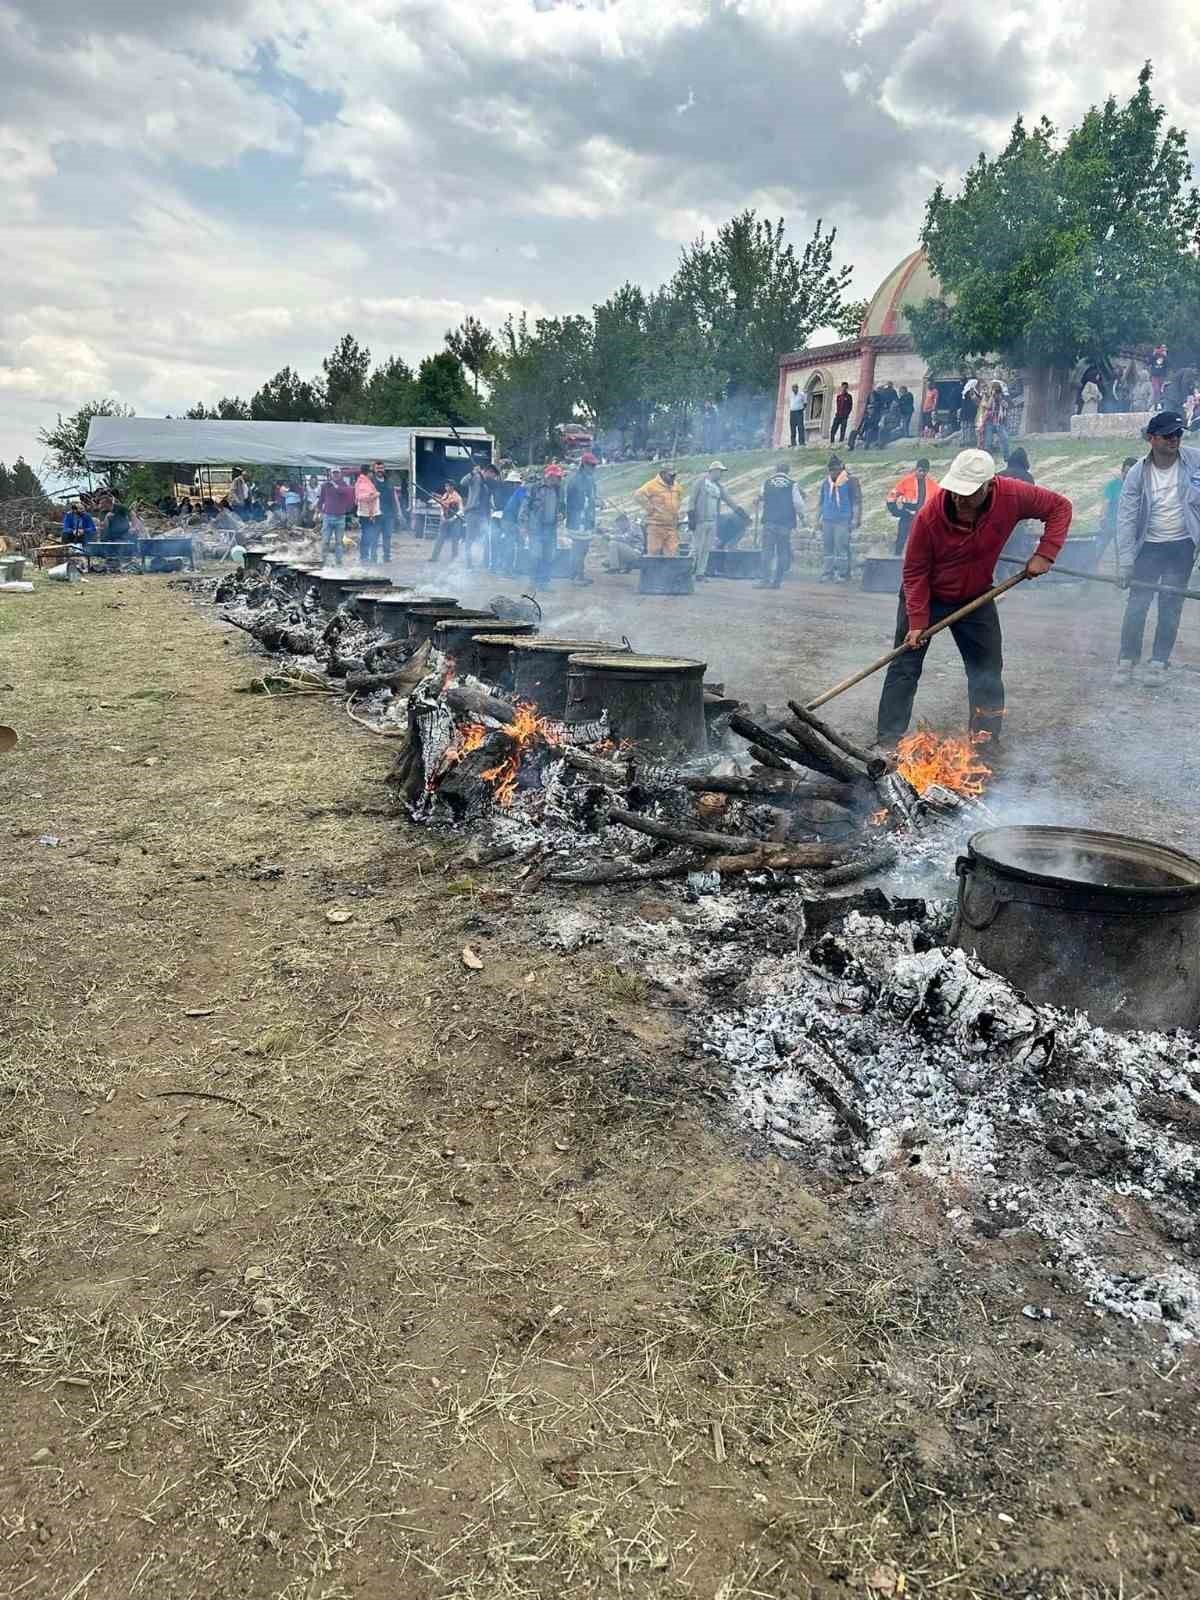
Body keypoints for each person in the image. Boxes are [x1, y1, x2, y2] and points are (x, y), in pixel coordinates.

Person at [874, 449, 1069, 749]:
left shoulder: (1012, 495)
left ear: (989, 486)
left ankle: (984, 738)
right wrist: (917, 621)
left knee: (987, 668)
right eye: (956, 491)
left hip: (976, 594)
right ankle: (888, 739)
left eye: (968, 494)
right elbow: (914, 571)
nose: (959, 499)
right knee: (905, 666)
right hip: (928, 594)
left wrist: (1046, 553)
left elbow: (1060, 507)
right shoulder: (929, 516)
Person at [1112, 411, 1200, 688]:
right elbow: (1126, 518)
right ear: (1151, 438)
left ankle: (1159, 661)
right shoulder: (1137, 473)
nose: (1175, 439)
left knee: (1170, 603)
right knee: (1137, 603)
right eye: (1168, 435)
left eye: (1178, 434)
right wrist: (1126, 562)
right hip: (1149, 547)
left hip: (1182, 545)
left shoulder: (1195, 461)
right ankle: (1127, 658)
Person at [755, 462, 807, 589]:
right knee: (782, 552)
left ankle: (765, 580)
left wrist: (758, 502)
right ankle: (777, 581)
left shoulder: (767, 482)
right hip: (785, 523)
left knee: (767, 552)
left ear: (775, 470)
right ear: (788, 471)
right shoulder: (793, 484)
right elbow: (798, 504)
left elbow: (761, 496)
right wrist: (802, 517)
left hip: (769, 521)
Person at [688, 461, 740, 581]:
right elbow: (692, 499)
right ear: (714, 471)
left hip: (712, 521)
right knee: (696, 548)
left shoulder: (719, 487)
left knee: (706, 549)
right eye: (720, 472)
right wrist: (691, 516)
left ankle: (700, 573)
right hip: (700, 520)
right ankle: (687, 571)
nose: (721, 474)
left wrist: (740, 512)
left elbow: (729, 500)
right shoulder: (700, 482)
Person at [521, 463, 567, 587]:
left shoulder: (559, 490)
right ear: (549, 476)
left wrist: (562, 514)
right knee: (536, 555)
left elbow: (563, 507)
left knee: (549, 556)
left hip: (551, 528)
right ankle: (533, 581)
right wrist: (523, 526)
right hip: (536, 528)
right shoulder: (535, 488)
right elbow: (525, 508)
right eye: (557, 477)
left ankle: (544, 582)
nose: (559, 479)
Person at [885, 458, 939, 556]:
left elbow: (939, 501)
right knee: (901, 538)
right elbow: (891, 496)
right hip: (907, 515)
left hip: (923, 518)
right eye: (920, 470)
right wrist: (896, 511)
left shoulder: (932, 484)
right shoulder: (907, 481)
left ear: (927, 471)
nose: (922, 473)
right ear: (916, 469)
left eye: (924, 471)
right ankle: (896, 557)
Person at [817, 456, 856, 582]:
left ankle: (842, 574)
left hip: (842, 519)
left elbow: (855, 502)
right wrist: (817, 518)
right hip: (827, 519)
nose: (833, 472)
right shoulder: (826, 483)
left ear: (840, 469)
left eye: (835, 469)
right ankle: (827, 572)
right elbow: (821, 502)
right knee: (827, 548)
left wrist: (855, 519)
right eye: (831, 470)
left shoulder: (849, 481)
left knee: (841, 547)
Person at [634, 463, 683, 556]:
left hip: (671, 527)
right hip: (655, 526)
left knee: (673, 554)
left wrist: (676, 513)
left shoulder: (677, 487)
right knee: (654, 553)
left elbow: (679, 499)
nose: (673, 477)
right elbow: (638, 495)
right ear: (663, 474)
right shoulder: (652, 485)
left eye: (674, 475)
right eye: (670, 475)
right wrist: (650, 508)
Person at [566, 453, 599, 585]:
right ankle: (576, 576)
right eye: (591, 465)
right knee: (578, 548)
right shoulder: (576, 480)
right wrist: (591, 503)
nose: (593, 468)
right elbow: (577, 502)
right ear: (584, 464)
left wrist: (596, 501)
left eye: (594, 465)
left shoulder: (589, 479)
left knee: (583, 548)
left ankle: (578, 574)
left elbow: (591, 497)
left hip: (586, 520)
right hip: (578, 519)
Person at [1098, 457, 1137, 564]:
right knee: (1098, 548)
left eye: (1131, 473)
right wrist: (1102, 518)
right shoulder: (1113, 485)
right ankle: (1090, 565)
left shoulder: (1139, 486)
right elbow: (1106, 503)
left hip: (1130, 526)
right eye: (1126, 472)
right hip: (1111, 524)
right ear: (1122, 471)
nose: (1127, 475)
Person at [318, 469, 354, 566]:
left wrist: (335, 486)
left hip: (340, 517)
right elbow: (321, 499)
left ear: (340, 474)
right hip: (328, 516)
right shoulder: (325, 485)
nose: (335, 475)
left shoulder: (344, 485)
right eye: (334, 473)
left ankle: (338, 562)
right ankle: (323, 561)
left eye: (337, 473)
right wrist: (319, 511)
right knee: (325, 541)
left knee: (339, 542)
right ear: (331, 474)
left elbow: (347, 493)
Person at [429, 481, 465, 564]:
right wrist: (442, 516)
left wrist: (453, 518)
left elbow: (461, 511)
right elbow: (442, 506)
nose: (446, 487)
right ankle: (434, 557)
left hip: (455, 520)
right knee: (440, 538)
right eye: (446, 486)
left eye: (447, 486)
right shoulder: (445, 495)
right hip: (445, 519)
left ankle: (454, 558)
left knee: (455, 539)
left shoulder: (457, 497)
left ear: (452, 487)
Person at [354, 465, 381, 562]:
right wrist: (376, 494)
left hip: (369, 513)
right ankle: (364, 556)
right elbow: (363, 497)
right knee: (367, 535)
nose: (372, 474)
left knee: (369, 534)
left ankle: (367, 555)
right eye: (371, 472)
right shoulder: (363, 482)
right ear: (368, 473)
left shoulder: (365, 481)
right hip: (367, 514)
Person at [373, 463, 398, 563]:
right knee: (374, 537)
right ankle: (373, 557)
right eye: (378, 468)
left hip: (389, 514)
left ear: (384, 469)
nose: (380, 470)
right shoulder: (371, 482)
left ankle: (386, 557)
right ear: (374, 469)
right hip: (376, 514)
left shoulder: (389, 481)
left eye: (381, 468)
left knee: (387, 536)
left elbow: (394, 496)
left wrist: (398, 511)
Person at [979, 383, 1011, 456]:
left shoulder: (1003, 397)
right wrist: (992, 396)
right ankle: (987, 458)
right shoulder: (988, 397)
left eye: (997, 391)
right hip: (989, 422)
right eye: (994, 391)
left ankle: (1007, 458)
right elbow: (988, 406)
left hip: (1000, 422)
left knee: (1004, 439)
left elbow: (1006, 406)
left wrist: (999, 398)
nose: (996, 394)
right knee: (988, 442)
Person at [788, 383, 808, 448]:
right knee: (792, 428)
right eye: (792, 388)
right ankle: (793, 443)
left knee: (800, 427)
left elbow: (805, 403)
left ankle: (802, 442)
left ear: (797, 388)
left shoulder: (801, 394)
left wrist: (802, 409)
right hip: (792, 413)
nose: (793, 389)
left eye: (795, 388)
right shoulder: (791, 395)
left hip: (799, 412)